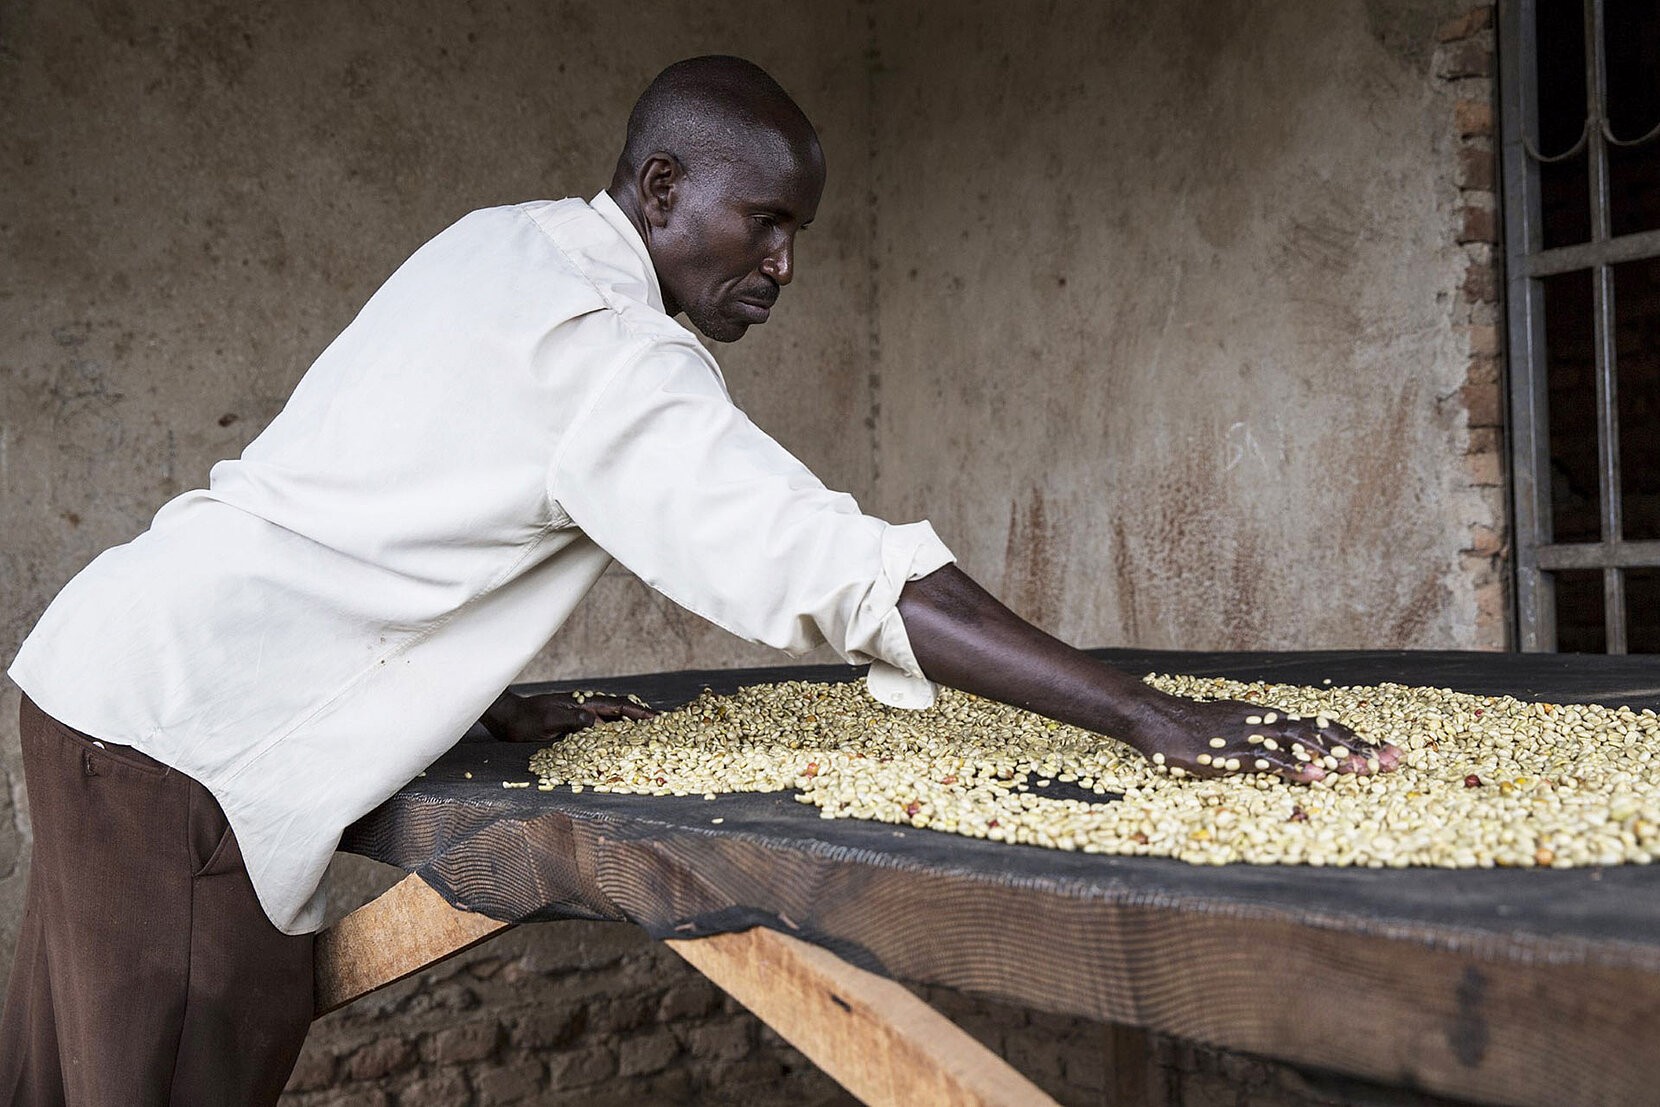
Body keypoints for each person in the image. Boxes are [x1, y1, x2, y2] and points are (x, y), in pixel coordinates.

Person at [0, 55, 1399, 1105]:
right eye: (765, 222)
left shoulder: (502, 240)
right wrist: (1156, 718)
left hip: (105, 677)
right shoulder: (618, 352)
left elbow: (368, 514)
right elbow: (837, 570)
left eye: (799, 236)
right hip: (179, 751)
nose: (783, 265)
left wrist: (460, 711)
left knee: (55, 1072)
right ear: (663, 191)